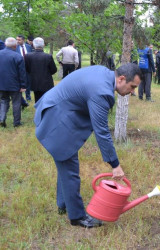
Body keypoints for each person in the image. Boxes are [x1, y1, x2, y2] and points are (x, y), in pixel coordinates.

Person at [34, 63, 142, 228]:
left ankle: (63, 204)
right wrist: (115, 165)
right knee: (70, 169)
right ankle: (77, 217)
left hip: (56, 107)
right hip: (56, 117)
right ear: (121, 79)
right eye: (132, 86)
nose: (133, 92)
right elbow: (102, 132)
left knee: (65, 163)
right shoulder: (102, 92)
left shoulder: (104, 73)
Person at [0, 37, 27, 128]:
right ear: (15, 46)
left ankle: (2, 118)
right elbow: (22, 73)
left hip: (1, 83)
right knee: (16, 102)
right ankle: (16, 122)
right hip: (14, 84)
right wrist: (23, 85)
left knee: (3, 101)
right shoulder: (18, 56)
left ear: (5, 44)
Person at [24, 37, 57, 103]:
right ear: (43, 45)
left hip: (34, 81)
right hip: (47, 82)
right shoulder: (48, 56)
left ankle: (38, 112)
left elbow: (26, 68)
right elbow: (54, 70)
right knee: (47, 100)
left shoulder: (28, 56)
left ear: (33, 45)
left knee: (37, 99)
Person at [16, 35, 32, 104]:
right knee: (19, 82)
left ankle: (28, 97)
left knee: (28, 82)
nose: (17, 41)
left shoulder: (28, 47)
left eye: (19, 40)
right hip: (19, 68)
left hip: (28, 67)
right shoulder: (15, 47)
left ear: (23, 40)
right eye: (16, 40)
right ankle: (20, 98)